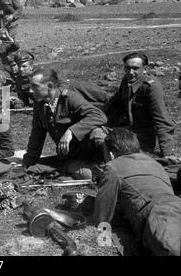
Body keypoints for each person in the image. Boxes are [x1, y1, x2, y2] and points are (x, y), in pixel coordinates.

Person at [92, 128, 181, 256]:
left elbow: (103, 211)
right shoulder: (154, 163)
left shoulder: (113, 167)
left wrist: (100, 228)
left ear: (111, 154)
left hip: (159, 215)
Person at [22, 67, 109, 179]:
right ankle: (97, 171)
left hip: (91, 149)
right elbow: (36, 136)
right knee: (83, 174)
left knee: (98, 133)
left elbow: (99, 116)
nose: (30, 90)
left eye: (35, 86)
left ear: (49, 86)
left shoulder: (69, 98)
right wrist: (28, 162)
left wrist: (71, 131)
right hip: (71, 156)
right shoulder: (39, 105)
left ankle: (112, 169)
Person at [103, 52, 179, 163]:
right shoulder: (126, 80)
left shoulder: (151, 87)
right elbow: (115, 102)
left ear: (145, 68)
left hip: (142, 138)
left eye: (135, 68)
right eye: (127, 68)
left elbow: (161, 120)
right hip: (126, 131)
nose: (130, 72)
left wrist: (168, 153)